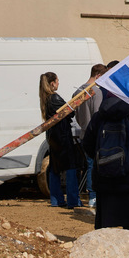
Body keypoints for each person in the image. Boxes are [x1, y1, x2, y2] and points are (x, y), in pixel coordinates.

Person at [81, 90, 129, 231]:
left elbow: (87, 143)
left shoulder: (99, 117)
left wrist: (103, 159)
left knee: (106, 227)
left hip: (105, 178)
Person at [39, 72, 83, 209]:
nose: (58, 83)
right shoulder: (55, 97)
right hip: (63, 136)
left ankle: (56, 199)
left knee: (55, 167)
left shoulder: (45, 99)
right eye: (57, 81)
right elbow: (69, 112)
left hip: (53, 137)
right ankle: (73, 200)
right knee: (70, 167)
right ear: (52, 83)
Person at [73, 63, 108, 208]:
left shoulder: (77, 92)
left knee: (89, 165)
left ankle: (91, 196)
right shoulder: (96, 92)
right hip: (95, 135)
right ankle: (94, 196)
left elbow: (76, 115)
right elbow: (98, 114)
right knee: (95, 167)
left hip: (83, 133)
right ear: (98, 76)